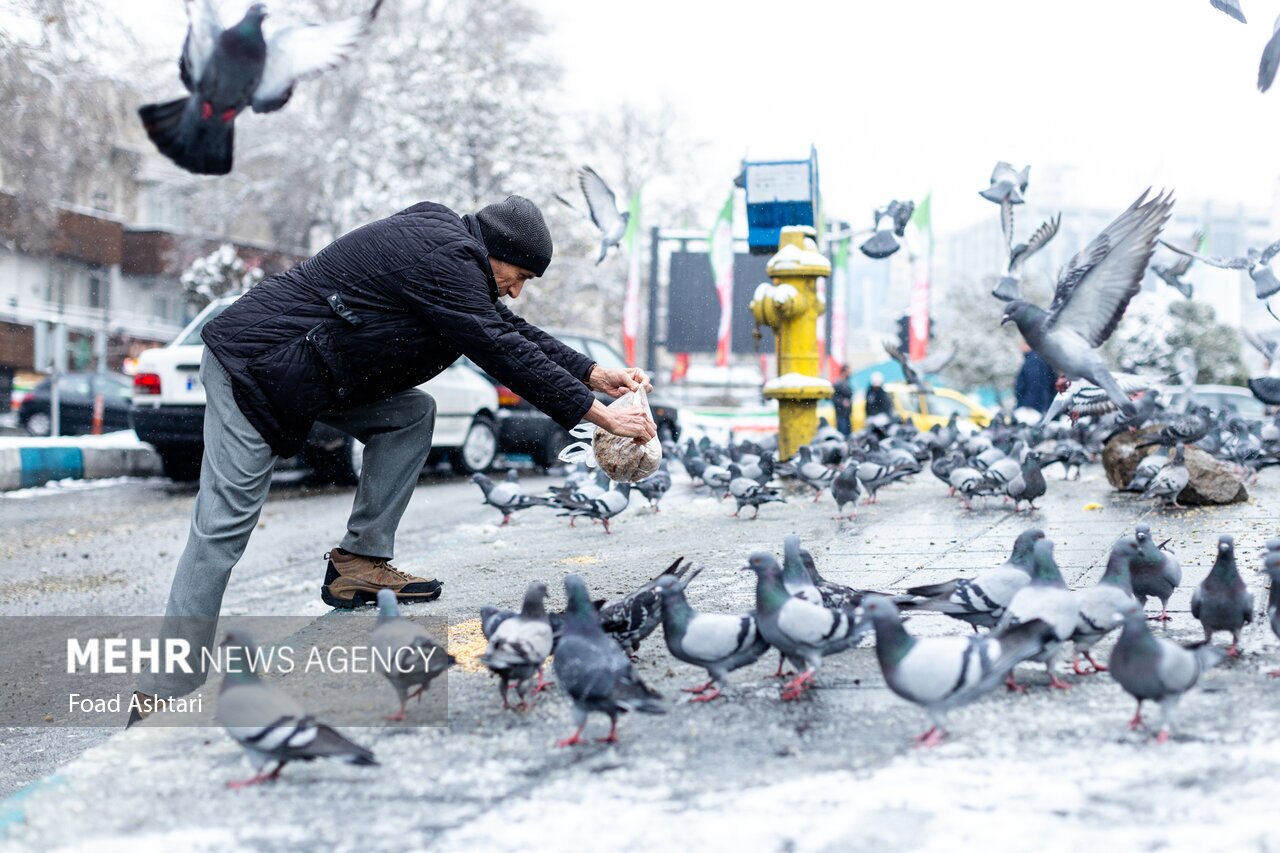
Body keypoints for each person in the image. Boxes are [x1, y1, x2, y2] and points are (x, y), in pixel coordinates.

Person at [132, 196, 655, 721]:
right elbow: (497, 346)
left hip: (312, 372)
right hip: (254, 365)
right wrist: (599, 416)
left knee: (409, 415)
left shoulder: (454, 254)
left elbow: (508, 329)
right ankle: (166, 686)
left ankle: (358, 563)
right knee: (223, 526)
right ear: (494, 250)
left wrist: (593, 375)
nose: (516, 289)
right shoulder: (442, 255)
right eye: (517, 275)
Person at [1014, 339, 1057, 413]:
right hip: (1038, 405)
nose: (1020, 347)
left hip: (1031, 408)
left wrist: (1029, 405)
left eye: (1022, 344)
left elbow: (1035, 383)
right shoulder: (1039, 357)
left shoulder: (1034, 360)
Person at [832, 365, 853, 435]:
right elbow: (833, 397)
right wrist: (842, 401)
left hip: (847, 414)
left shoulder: (847, 383)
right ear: (844, 372)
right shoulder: (838, 384)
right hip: (841, 414)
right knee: (842, 433)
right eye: (848, 372)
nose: (850, 373)